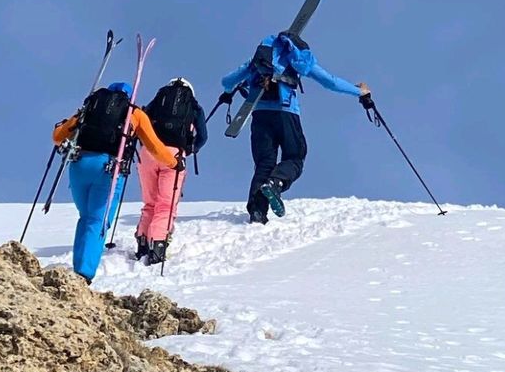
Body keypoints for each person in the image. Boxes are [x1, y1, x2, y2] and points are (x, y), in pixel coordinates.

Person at [221, 33, 370, 223]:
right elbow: (330, 82)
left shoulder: (256, 62)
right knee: (295, 157)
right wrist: (359, 91)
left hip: (260, 115)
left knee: (264, 163)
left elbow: (226, 81)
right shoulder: (294, 58)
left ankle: (257, 212)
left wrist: (229, 92)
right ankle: (276, 182)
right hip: (286, 113)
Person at [52, 81, 177, 283]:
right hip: (108, 168)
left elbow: (58, 137)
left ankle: (79, 269)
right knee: (97, 221)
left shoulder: (90, 107)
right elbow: (154, 147)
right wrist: (173, 162)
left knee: (86, 218)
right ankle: (84, 274)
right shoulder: (133, 113)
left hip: (79, 165)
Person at [135, 77, 207, 264]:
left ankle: (142, 242)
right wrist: (189, 149)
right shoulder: (194, 106)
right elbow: (203, 137)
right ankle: (157, 245)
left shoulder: (158, 100)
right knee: (166, 204)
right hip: (174, 156)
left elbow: (142, 122)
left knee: (149, 202)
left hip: (148, 152)